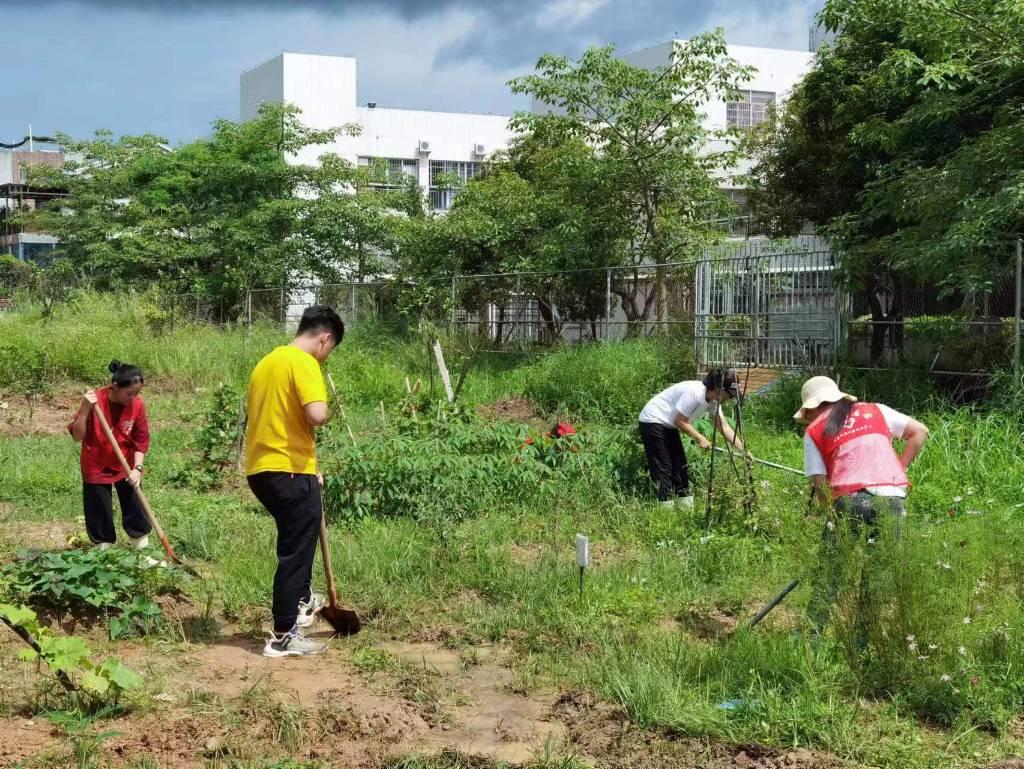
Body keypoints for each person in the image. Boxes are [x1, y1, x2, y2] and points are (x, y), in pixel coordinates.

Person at [245, 305, 344, 658]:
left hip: (261, 469)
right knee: (296, 552)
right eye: (330, 349)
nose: (326, 355)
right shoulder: (304, 363)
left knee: (295, 540)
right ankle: (283, 634)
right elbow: (315, 415)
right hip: (288, 468)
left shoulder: (266, 363)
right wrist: (330, 409)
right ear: (325, 338)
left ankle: (302, 603)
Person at [794, 375, 929, 633]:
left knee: (830, 572)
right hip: (892, 499)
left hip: (850, 498)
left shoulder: (813, 431)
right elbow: (919, 432)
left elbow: (820, 486)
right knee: (876, 577)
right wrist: (896, 471)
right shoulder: (875, 410)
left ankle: (811, 637)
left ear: (813, 408)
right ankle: (864, 643)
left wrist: (832, 516)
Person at [68, 361, 152, 550]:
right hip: (95, 463)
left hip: (126, 462)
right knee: (98, 508)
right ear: (115, 386)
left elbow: (141, 439)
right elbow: (76, 436)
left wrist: (137, 469)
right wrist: (85, 410)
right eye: (129, 393)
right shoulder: (95, 401)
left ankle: (141, 545)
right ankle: (103, 549)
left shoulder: (137, 405)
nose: (133, 398)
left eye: (137, 393)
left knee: (134, 503)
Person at [638, 368, 745, 508]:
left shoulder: (714, 401)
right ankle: (664, 510)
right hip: (653, 420)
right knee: (664, 466)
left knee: (680, 464)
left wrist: (743, 450)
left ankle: (685, 508)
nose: (730, 398)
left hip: (669, 424)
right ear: (719, 389)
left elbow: (723, 427)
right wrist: (700, 438)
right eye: (730, 394)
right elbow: (680, 421)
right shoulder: (695, 393)